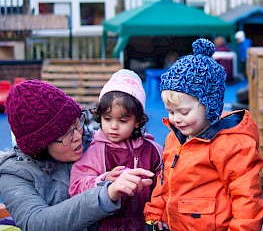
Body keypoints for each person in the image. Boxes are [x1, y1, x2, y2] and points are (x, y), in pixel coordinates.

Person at [144, 38, 263, 230]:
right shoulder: (174, 138)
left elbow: (247, 200)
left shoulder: (231, 146)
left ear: (209, 106)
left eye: (183, 112)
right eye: (171, 112)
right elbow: (164, 179)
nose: (176, 119)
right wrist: (156, 211)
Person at [0, 80, 154, 231]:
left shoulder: (98, 143)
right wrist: (104, 195)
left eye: (77, 123)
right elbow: (36, 222)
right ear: (40, 145)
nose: (78, 136)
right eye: (65, 134)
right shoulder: (14, 174)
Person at [69, 69, 163, 230]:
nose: (113, 126)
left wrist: (160, 211)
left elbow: (167, 185)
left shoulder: (153, 150)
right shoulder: (96, 150)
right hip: (106, 225)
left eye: (122, 120)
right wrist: (105, 180)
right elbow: (76, 187)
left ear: (138, 121)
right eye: (107, 118)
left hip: (145, 223)